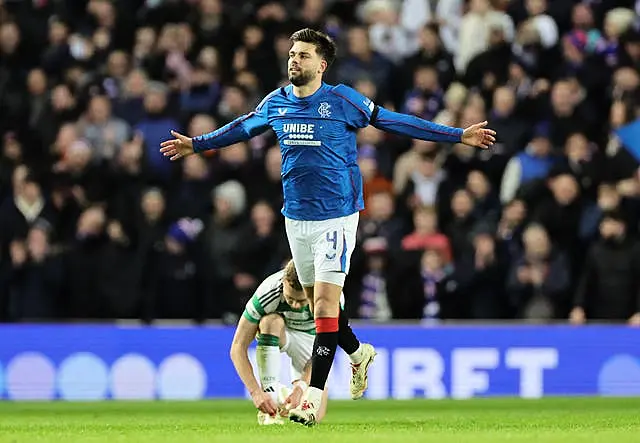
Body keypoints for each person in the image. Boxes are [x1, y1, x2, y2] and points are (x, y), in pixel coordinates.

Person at [160, 28, 495, 426]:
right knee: (326, 304)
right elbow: (241, 127)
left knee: (322, 305)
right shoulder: (277, 103)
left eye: (302, 55)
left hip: (336, 217)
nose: (293, 60)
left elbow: (393, 121)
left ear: (321, 65)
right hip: (296, 219)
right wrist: (197, 144)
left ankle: (312, 396)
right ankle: (357, 353)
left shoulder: (342, 100)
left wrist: (457, 135)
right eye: (291, 53)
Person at [229, 260, 375, 425]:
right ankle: (270, 395)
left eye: (302, 301)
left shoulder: (330, 298)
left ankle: (283, 398)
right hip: (283, 331)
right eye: (290, 299)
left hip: (313, 339)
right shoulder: (267, 292)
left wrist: (301, 388)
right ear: (284, 282)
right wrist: (256, 392)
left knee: (313, 417)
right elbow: (237, 347)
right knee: (270, 321)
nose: (296, 306)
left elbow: (324, 350)